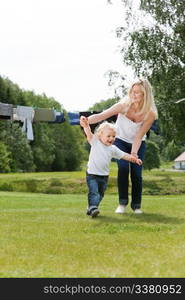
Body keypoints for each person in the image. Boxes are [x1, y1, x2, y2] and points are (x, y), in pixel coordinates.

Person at [84, 78, 158, 214]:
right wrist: (86, 121)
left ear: (145, 95)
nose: (134, 95)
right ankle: (122, 203)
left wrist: (134, 154)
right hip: (120, 141)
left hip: (138, 143)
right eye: (132, 92)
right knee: (123, 169)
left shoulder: (150, 113)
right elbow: (101, 116)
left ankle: (136, 206)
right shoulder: (123, 105)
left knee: (136, 173)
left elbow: (138, 136)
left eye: (138, 93)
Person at [80, 116, 142, 217]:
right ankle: (93, 207)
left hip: (104, 176)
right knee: (94, 192)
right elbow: (89, 133)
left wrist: (134, 159)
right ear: (100, 135)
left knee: (100, 194)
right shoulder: (95, 142)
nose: (111, 139)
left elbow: (124, 155)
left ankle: (91, 207)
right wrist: (86, 126)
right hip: (92, 174)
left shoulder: (113, 149)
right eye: (108, 136)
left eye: (113, 136)